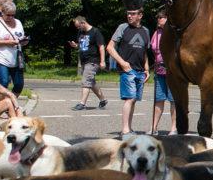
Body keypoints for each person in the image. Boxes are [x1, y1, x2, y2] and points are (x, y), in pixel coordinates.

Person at [106, 8, 150, 136]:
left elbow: (144, 52)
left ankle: (129, 128)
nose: (129, 16)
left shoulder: (145, 31)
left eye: (133, 14)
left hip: (140, 71)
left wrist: (146, 68)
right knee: (129, 98)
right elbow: (110, 47)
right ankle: (125, 130)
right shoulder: (123, 27)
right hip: (128, 70)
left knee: (134, 99)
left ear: (140, 15)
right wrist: (123, 63)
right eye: (128, 13)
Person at [0, 0, 27, 96]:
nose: (11, 17)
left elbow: (20, 38)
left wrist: (24, 42)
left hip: (16, 59)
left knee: (19, 84)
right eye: (8, 15)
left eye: (13, 15)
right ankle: (3, 107)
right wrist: (7, 42)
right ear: (2, 13)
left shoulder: (18, 23)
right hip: (1, 58)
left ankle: (9, 105)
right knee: (3, 83)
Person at [69, 16, 108, 111]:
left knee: (86, 81)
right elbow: (82, 45)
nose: (78, 29)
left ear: (83, 23)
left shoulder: (95, 32)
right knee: (91, 82)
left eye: (79, 26)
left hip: (93, 61)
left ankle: (82, 104)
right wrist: (76, 45)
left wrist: (102, 61)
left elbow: (101, 47)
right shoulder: (81, 32)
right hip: (84, 61)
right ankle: (103, 100)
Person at [148, 10, 177, 135]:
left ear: (168, 18)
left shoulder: (174, 32)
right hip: (159, 71)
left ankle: (174, 128)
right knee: (158, 99)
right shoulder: (156, 33)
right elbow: (152, 50)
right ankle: (154, 127)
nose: (159, 19)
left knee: (173, 100)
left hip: (172, 72)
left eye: (161, 17)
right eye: (158, 17)